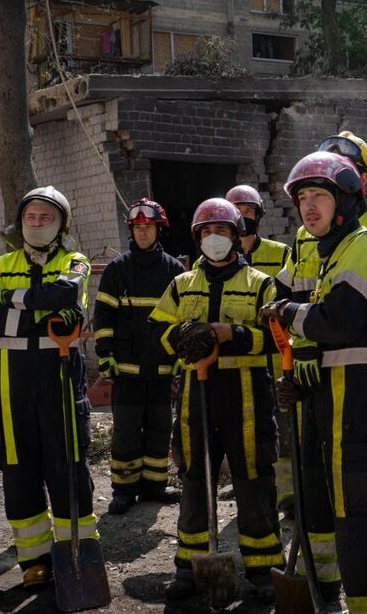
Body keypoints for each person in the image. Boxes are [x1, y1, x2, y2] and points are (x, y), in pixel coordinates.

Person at [262, 151, 367, 613]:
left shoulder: (366, 245)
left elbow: (339, 323)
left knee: (366, 539)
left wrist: (288, 312)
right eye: (302, 198)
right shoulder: (330, 253)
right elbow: (329, 343)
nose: (308, 207)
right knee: (352, 531)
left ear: (345, 200)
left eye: (318, 197)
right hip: (343, 407)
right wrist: (304, 382)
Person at [149, 198, 283, 603]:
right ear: (196, 238)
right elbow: (158, 331)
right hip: (196, 394)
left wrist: (234, 335)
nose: (214, 239)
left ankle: (262, 571)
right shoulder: (181, 284)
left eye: (222, 231)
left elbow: (279, 343)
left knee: (253, 481)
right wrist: (181, 338)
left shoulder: (262, 284)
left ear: (237, 236)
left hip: (248, 396)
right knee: (194, 479)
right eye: (206, 232)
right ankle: (189, 569)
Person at [0, 186, 98, 588]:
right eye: (32, 216)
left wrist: (13, 302)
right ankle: (34, 561)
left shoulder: (75, 261)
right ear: (20, 223)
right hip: (10, 383)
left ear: (61, 224)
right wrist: (37, 315)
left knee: (68, 465)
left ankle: (76, 553)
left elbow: (67, 295)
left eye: (46, 217)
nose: (38, 223)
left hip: (59, 375)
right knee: (18, 470)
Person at [93, 198, 184, 515]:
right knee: (126, 431)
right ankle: (124, 490)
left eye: (149, 227)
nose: (143, 233)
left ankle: (154, 487)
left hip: (161, 369)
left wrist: (180, 361)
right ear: (132, 230)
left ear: (159, 229)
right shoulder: (117, 270)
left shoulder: (175, 270)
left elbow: (183, 320)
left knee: (160, 429)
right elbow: (103, 317)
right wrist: (105, 356)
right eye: (138, 228)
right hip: (127, 371)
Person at [224, 185, 296, 514]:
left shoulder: (281, 253)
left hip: (278, 359)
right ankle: (253, 491)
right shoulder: (210, 259)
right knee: (248, 432)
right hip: (240, 364)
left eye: (247, 211)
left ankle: (288, 494)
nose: (241, 217)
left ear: (258, 216)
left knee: (284, 430)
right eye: (234, 210)